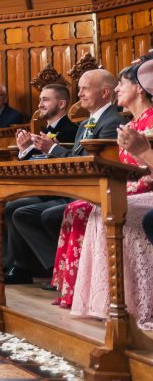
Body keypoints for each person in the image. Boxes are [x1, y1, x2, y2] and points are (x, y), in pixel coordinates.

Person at [0, 70, 125, 284]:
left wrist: (52, 148)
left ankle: (56, 271)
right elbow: (70, 160)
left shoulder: (109, 123)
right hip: (63, 186)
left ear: (105, 92)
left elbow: (88, 164)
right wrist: (27, 150)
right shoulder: (85, 124)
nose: (79, 93)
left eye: (84, 88)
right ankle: (34, 268)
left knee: (20, 211)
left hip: (86, 191)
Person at [48, 64, 153, 307]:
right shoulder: (132, 124)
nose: (117, 89)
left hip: (143, 184)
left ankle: (111, 293)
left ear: (139, 88)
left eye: (121, 84)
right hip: (127, 180)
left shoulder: (146, 121)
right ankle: (76, 291)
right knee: (82, 207)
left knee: (91, 207)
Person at [0, 83, 79, 277]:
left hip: (54, 191)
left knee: (12, 207)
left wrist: (43, 150)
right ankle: (0, 263)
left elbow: (65, 164)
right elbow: (34, 164)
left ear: (62, 103)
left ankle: (20, 266)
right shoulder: (43, 131)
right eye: (40, 100)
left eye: (45, 99)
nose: (40, 104)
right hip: (36, 187)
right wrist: (23, 150)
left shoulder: (71, 131)